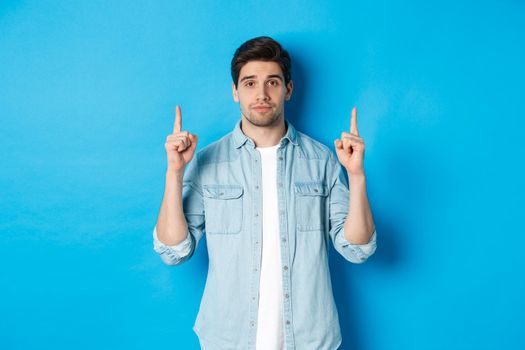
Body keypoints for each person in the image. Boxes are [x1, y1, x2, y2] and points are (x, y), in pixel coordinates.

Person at [152, 36, 377, 350]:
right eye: (249, 83)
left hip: (310, 339)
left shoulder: (322, 160)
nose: (261, 94)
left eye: (272, 82)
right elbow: (173, 250)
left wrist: (356, 176)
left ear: (288, 89)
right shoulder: (207, 162)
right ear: (235, 92)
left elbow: (357, 249)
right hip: (228, 340)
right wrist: (174, 173)